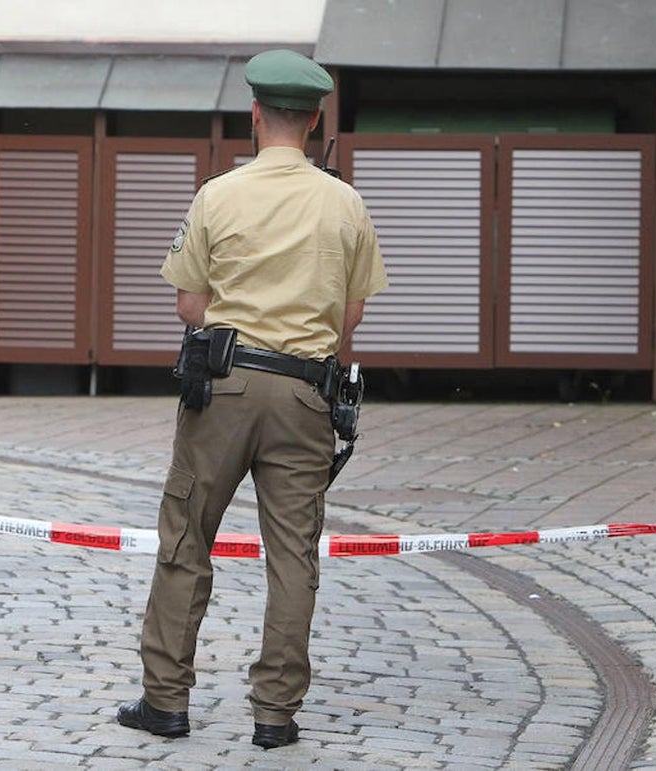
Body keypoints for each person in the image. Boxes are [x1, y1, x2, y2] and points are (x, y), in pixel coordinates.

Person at [117, 48, 388, 750]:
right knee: (293, 555)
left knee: (186, 536)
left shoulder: (219, 194)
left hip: (225, 387)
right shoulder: (346, 202)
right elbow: (350, 319)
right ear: (318, 119)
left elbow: (189, 303)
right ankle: (275, 712)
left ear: (256, 115)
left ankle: (165, 699)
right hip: (306, 394)